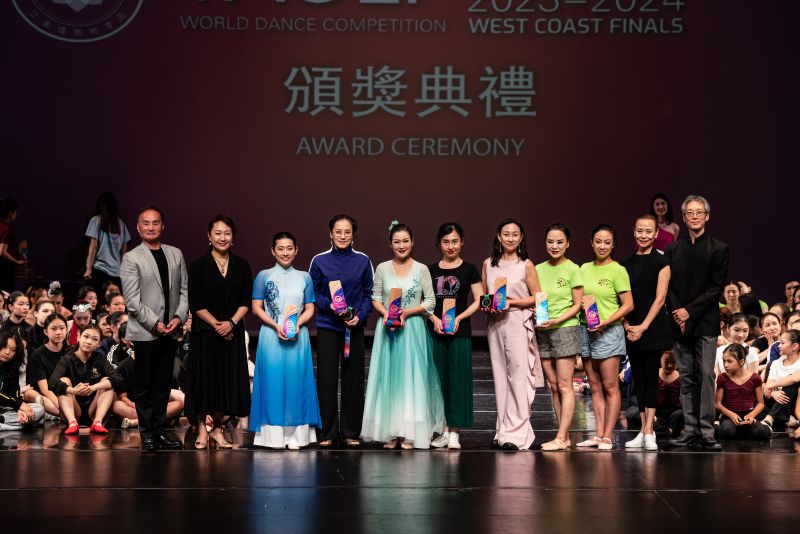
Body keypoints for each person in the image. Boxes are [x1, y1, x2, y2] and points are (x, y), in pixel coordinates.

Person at [362, 221, 445, 450]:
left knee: (411, 380)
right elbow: (375, 298)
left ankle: (409, 433)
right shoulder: (382, 268)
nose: (401, 246)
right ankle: (390, 432)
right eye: (397, 242)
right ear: (390, 244)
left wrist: (407, 312)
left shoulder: (421, 269)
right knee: (389, 379)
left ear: (412, 242)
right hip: (388, 330)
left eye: (405, 241)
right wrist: (386, 313)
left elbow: (430, 301)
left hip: (412, 329)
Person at [120, 206, 188, 451]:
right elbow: (132, 300)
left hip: (171, 330)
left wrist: (179, 317)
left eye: (155, 222)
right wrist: (155, 323)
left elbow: (184, 291)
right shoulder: (131, 258)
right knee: (145, 385)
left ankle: (159, 431)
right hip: (146, 331)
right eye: (146, 223)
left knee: (162, 384)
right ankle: (147, 432)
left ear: (163, 225)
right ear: (138, 228)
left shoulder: (175, 254)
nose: (151, 227)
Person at [666, 195, 729, 451]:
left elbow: (716, 288)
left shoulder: (719, 248)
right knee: (687, 377)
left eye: (699, 212)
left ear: (707, 216)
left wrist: (688, 313)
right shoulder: (673, 250)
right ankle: (689, 430)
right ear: (683, 217)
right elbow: (668, 287)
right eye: (689, 212)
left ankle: (707, 431)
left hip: (705, 322)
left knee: (705, 375)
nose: (694, 216)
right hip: (679, 322)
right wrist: (678, 313)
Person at [249, 232, 320, 449]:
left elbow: (310, 308)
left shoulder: (304, 277)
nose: (285, 253)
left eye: (289, 248)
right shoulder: (264, 276)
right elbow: (256, 308)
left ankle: (296, 437)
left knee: (297, 383)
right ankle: (273, 437)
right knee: (272, 382)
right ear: (273, 251)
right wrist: (276, 325)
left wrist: (298, 324)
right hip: (271, 335)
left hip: (298, 334)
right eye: (280, 248)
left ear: (296, 250)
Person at [187, 215, 252, 449]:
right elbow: (195, 302)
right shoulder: (198, 265)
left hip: (232, 332)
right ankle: (201, 428)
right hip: (205, 332)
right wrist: (217, 324)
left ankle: (217, 429)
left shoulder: (242, 265)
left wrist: (231, 323)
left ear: (233, 237)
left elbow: (246, 300)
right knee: (205, 381)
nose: (222, 237)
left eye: (227, 233)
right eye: (218, 233)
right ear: (209, 236)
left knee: (227, 383)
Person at [308, 214, 373, 448]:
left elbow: (369, 294)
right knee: (326, 379)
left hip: (353, 327)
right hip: (328, 326)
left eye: (347, 232)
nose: (343, 236)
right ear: (330, 234)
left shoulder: (363, 261)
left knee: (353, 380)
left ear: (353, 235)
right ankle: (326, 432)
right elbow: (312, 293)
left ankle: (350, 431)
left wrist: (359, 316)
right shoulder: (319, 261)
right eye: (338, 232)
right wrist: (331, 306)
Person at [482, 218, 541, 451]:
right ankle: (503, 430)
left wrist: (511, 302)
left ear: (521, 238)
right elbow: (486, 296)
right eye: (506, 234)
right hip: (495, 324)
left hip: (517, 322)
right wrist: (489, 305)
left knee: (518, 377)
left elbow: (537, 297)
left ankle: (517, 434)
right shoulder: (488, 264)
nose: (510, 238)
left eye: (515, 234)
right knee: (500, 377)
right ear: (499, 236)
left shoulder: (526, 265)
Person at [577, 225, 634, 451]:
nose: (602, 246)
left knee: (610, 387)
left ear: (613, 245)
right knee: (594, 385)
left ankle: (608, 436)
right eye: (598, 241)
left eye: (607, 242)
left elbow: (628, 304)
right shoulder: (583, 268)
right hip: (586, 330)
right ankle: (598, 435)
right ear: (591, 243)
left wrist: (607, 321)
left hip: (609, 332)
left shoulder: (617, 270)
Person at [427, 222, 482, 450]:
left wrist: (459, 318)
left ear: (462, 242)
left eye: (455, 241)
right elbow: (424, 301)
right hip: (436, 331)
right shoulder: (430, 270)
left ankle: (454, 433)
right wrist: (434, 319)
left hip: (460, 332)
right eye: (446, 242)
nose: (451, 246)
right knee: (437, 382)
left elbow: (479, 300)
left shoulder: (470, 269)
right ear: (439, 244)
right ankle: (442, 431)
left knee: (458, 381)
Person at [622, 215, 673, 451]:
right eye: (640, 231)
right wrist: (627, 326)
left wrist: (643, 326)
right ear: (634, 232)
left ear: (655, 234)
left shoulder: (662, 263)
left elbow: (660, 299)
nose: (643, 235)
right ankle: (642, 431)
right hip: (631, 329)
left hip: (652, 329)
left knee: (651, 379)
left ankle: (650, 431)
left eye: (648, 231)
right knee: (639, 380)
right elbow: (620, 298)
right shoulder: (625, 264)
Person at [534, 223, 584, 451]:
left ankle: (562, 437)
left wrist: (557, 320)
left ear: (567, 244)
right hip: (542, 329)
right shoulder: (538, 269)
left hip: (565, 329)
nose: (554, 246)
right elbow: (535, 298)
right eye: (550, 242)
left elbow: (577, 305)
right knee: (553, 386)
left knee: (565, 385)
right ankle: (563, 436)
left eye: (559, 242)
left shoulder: (573, 269)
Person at [49, 325, 120, 435]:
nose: (89, 342)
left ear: (99, 344)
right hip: (73, 410)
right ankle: (73, 423)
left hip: (93, 411)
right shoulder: (67, 359)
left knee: (106, 381)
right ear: (78, 337)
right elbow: (52, 382)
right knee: (64, 380)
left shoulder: (100, 358)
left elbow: (118, 378)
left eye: (94, 339)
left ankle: (97, 423)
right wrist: (74, 391)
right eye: (86, 337)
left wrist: (93, 388)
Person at [112, 323, 184, 430]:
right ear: (131, 342)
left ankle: (136, 422)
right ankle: (156, 420)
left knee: (178, 404)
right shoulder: (124, 366)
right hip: (133, 406)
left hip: (153, 405)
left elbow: (160, 391)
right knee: (117, 406)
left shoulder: (156, 362)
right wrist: (139, 408)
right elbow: (123, 398)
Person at [714, 343, 769, 440]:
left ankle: (745, 430)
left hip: (748, 415)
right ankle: (717, 426)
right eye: (724, 361)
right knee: (727, 432)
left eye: (729, 361)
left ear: (741, 361)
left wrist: (752, 415)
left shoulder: (755, 378)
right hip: (729, 415)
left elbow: (761, 404)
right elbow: (717, 404)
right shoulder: (722, 378)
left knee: (761, 432)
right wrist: (731, 414)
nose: (725, 365)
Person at [83, 192, 131, 291]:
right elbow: (124, 250)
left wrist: (88, 269)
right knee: (113, 299)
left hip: (100, 270)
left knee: (98, 298)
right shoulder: (121, 223)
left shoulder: (96, 220)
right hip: (116, 272)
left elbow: (93, 246)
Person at [23, 313, 68, 417]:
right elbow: (45, 389)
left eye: (62, 328)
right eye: (53, 329)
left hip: (66, 394)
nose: (58, 332)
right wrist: (63, 407)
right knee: (41, 399)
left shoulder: (70, 352)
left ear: (67, 330)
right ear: (46, 332)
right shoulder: (38, 354)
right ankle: (64, 414)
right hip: (47, 396)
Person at [0, 330, 44, 430]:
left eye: (13, 350)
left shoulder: (12, 367)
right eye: (4, 347)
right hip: (6, 405)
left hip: (4, 409)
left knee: (39, 410)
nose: (7, 352)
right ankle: (14, 426)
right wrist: (18, 404)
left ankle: (3, 422)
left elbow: (15, 394)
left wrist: (19, 410)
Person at [761, 330, 800, 433]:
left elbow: (794, 378)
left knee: (791, 385)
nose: (779, 346)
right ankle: (786, 417)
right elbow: (768, 388)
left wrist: (770, 386)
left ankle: (770, 418)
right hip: (775, 400)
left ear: (794, 346)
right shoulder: (775, 363)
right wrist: (773, 393)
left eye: (782, 343)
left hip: (793, 402)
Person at [654, 351, 683, 436]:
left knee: (681, 414)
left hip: (674, 413)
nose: (670, 365)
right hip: (658, 414)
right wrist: (652, 415)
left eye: (673, 362)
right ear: (661, 360)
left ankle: (667, 430)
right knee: (643, 418)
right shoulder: (655, 374)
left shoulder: (680, 376)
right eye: (666, 361)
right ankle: (669, 431)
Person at [0, 198, 25, 294]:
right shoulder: (6, 228)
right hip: (4, 271)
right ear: (10, 213)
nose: (16, 214)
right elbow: (2, 252)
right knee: (6, 295)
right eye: (15, 212)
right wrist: (17, 262)